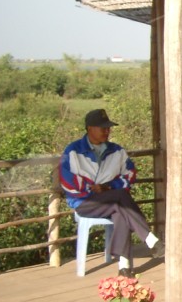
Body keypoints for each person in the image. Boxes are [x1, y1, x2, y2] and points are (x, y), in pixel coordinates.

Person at [60, 109, 164, 275]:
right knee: (122, 196)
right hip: (85, 203)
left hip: (111, 199)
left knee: (120, 210)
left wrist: (108, 187)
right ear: (89, 128)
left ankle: (124, 269)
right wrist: (92, 188)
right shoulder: (73, 151)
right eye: (103, 128)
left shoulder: (116, 151)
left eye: (108, 128)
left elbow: (130, 174)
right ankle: (150, 239)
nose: (107, 131)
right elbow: (67, 181)